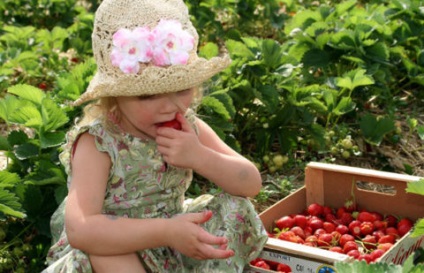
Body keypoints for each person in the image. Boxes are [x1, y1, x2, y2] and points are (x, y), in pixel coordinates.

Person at [42, 0, 268, 272]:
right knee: (102, 253)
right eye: (148, 95)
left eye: (181, 90)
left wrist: (200, 156)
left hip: (172, 243)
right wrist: (165, 231)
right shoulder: (99, 141)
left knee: (236, 206)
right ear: (116, 96)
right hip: (115, 247)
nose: (169, 106)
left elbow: (250, 184)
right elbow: (82, 229)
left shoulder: (187, 126)